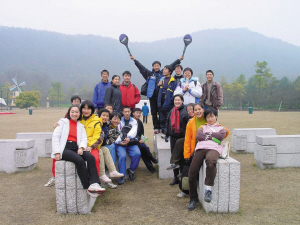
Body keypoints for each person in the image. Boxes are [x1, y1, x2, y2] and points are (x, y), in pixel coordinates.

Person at [52, 105, 105, 197]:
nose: (74, 114)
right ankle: (87, 186)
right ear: (69, 112)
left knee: (90, 157)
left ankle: (94, 183)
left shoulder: (80, 125)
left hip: (76, 147)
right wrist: (57, 152)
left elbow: (84, 139)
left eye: (77, 112)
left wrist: (81, 148)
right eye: (72, 111)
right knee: (79, 160)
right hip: (64, 148)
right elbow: (55, 137)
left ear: (79, 114)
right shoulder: (62, 122)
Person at [130, 54, 184, 134]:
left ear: (160, 67)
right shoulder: (149, 74)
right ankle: (156, 127)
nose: (156, 67)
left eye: (158, 65)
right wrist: (135, 60)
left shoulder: (163, 73)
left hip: (161, 97)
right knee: (154, 113)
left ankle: (163, 127)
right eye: (155, 66)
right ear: (152, 67)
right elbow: (141, 68)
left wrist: (179, 60)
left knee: (162, 113)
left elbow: (171, 66)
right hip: (152, 97)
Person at [188, 107, 229, 211]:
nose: (210, 119)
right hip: (201, 148)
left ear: (216, 117)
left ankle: (208, 189)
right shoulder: (202, 127)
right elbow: (199, 136)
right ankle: (193, 198)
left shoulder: (221, 128)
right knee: (192, 171)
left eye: (212, 116)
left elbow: (220, 136)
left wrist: (207, 136)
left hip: (214, 149)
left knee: (210, 162)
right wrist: (212, 137)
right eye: (208, 117)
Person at [44, 95, 82, 187]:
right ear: (71, 103)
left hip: (77, 141)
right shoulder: (68, 115)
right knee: (57, 153)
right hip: (66, 141)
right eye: (74, 101)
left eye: (78, 101)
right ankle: (54, 176)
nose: (76, 102)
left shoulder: (82, 114)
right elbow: (62, 125)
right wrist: (55, 125)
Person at [165, 95, 190, 185]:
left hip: (182, 139)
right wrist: (166, 133)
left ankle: (183, 177)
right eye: (175, 100)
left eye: (179, 100)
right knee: (174, 159)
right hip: (173, 138)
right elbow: (168, 123)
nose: (177, 102)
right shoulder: (172, 111)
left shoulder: (185, 112)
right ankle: (175, 178)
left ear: (182, 101)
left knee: (182, 159)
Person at [97, 109, 124, 189]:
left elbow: (108, 142)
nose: (116, 121)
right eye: (114, 118)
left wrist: (104, 136)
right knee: (110, 148)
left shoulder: (117, 131)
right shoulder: (104, 123)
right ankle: (111, 170)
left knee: (109, 147)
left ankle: (111, 171)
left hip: (104, 144)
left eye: (118, 119)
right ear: (110, 119)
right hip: (99, 144)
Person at [115, 106, 141, 185]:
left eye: (128, 111)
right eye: (125, 111)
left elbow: (134, 131)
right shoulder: (118, 120)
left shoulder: (133, 121)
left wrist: (128, 138)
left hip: (130, 142)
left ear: (130, 112)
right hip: (120, 143)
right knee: (122, 156)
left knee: (137, 153)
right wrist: (120, 141)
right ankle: (122, 176)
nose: (127, 113)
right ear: (122, 112)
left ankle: (131, 170)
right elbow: (116, 132)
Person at [132, 108, 157, 174]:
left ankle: (151, 167)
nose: (138, 114)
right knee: (144, 148)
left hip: (139, 141)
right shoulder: (130, 122)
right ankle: (151, 159)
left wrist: (142, 140)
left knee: (144, 150)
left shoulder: (140, 122)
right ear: (133, 113)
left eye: (139, 113)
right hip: (132, 141)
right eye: (137, 113)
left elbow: (142, 133)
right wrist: (138, 139)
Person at [158, 65, 178, 134]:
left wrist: (171, 101)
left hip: (169, 103)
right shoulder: (162, 80)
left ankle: (168, 132)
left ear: (169, 71)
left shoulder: (173, 81)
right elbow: (157, 91)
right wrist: (158, 85)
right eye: (163, 69)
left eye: (165, 69)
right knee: (162, 118)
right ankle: (163, 131)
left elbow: (175, 92)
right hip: (161, 102)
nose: (164, 70)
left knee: (169, 118)